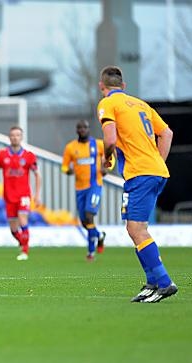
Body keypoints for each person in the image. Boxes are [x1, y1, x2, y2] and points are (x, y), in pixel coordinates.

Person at [97, 65, 177, 303]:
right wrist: (156, 162)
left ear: (102, 87)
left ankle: (164, 282)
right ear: (123, 86)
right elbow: (167, 134)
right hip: (154, 171)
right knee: (135, 228)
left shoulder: (108, 104)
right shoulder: (142, 105)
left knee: (136, 229)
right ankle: (152, 283)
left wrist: (106, 158)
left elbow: (110, 138)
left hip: (140, 174)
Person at [0, 126, 41, 261]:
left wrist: (37, 194)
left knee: (22, 219)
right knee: (13, 228)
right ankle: (22, 241)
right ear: (9, 137)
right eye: (12, 135)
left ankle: (25, 250)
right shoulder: (2, 155)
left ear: (21, 137)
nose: (15, 137)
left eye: (17, 135)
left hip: (24, 195)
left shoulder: (29, 156)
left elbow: (37, 175)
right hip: (9, 195)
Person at [62, 120, 107, 261]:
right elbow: (64, 166)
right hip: (79, 188)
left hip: (95, 186)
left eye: (85, 127)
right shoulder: (70, 147)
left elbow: (109, 158)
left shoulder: (98, 145)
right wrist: (68, 171)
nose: (82, 130)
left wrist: (106, 168)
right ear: (76, 130)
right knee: (84, 222)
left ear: (89, 129)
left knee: (89, 215)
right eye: (80, 128)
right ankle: (99, 235)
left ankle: (91, 252)